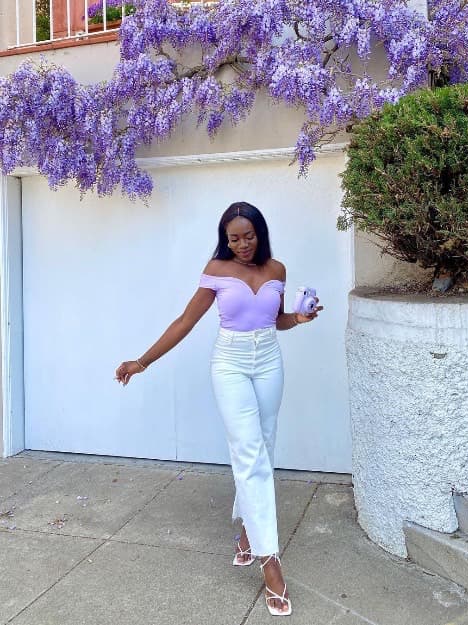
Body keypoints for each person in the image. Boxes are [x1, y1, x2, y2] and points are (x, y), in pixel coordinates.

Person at [115, 201, 323, 616]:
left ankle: (247, 530)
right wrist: (142, 361)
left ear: (260, 234)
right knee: (248, 453)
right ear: (224, 240)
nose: (242, 245)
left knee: (264, 444)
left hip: (268, 361)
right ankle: (270, 560)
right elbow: (185, 322)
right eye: (234, 238)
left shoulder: (277, 270)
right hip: (229, 363)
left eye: (249, 236)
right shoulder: (217, 270)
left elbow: (274, 319)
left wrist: (298, 319)